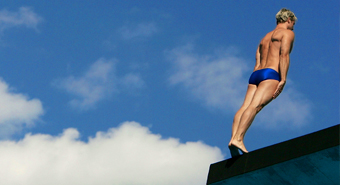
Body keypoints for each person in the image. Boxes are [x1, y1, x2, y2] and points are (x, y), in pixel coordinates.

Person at [228, 8, 297, 157]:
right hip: (271, 73)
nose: (293, 27)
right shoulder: (287, 33)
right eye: (293, 24)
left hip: (256, 74)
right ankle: (238, 139)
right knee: (255, 106)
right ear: (289, 20)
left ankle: (233, 138)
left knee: (245, 106)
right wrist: (283, 79)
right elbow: (284, 55)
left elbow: (257, 61)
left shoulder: (264, 38)